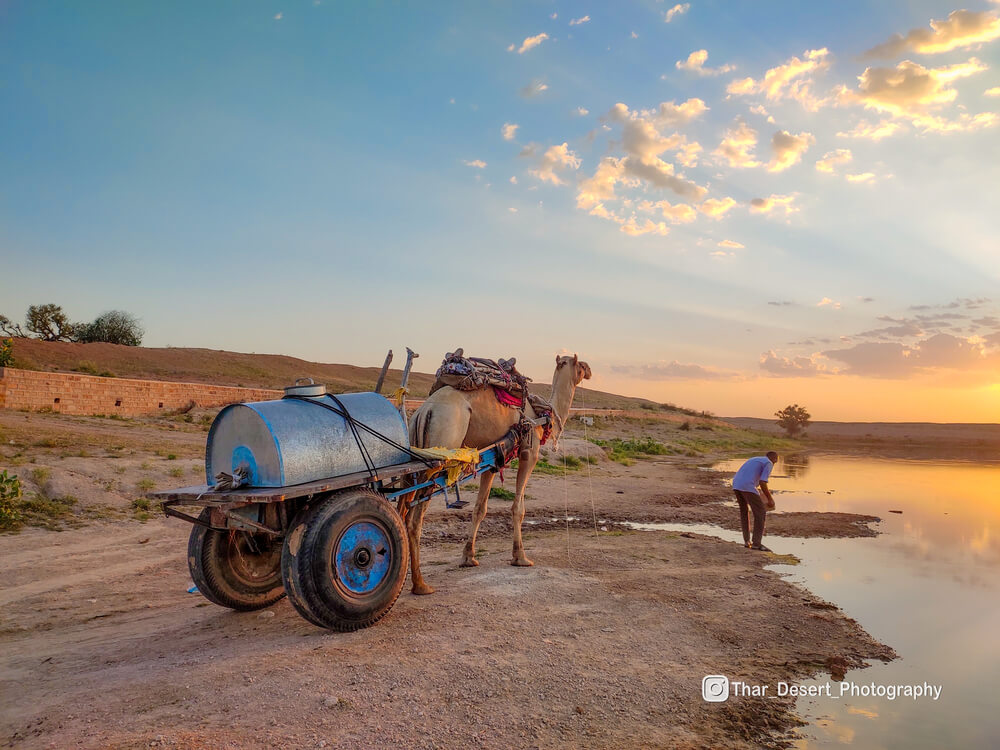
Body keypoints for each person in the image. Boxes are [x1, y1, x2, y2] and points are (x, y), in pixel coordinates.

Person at [731, 451, 778, 551]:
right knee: (760, 513)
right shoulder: (769, 463)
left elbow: (751, 477)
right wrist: (770, 499)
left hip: (736, 484)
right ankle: (756, 543)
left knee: (744, 511)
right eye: (775, 462)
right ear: (774, 459)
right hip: (747, 486)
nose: (774, 464)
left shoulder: (755, 459)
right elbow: (763, 482)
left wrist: (759, 493)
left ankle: (747, 541)